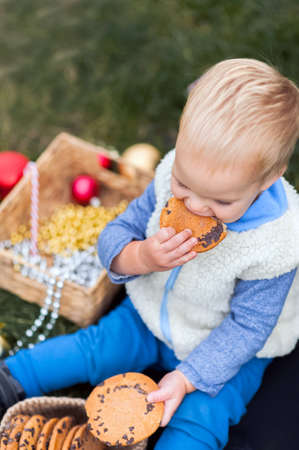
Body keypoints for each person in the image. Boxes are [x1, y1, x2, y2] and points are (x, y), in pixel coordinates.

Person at [1, 58, 299, 449]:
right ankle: (13, 377)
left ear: (269, 179)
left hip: (222, 353)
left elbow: (248, 329)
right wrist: (140, 257)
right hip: (152, 314)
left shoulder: (275, 244)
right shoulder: (167, 178)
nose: (195, 206)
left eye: (221, 201)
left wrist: (189, 376)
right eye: (183, 184)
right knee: (96, 347)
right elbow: (116, 233)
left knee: (201, 418)